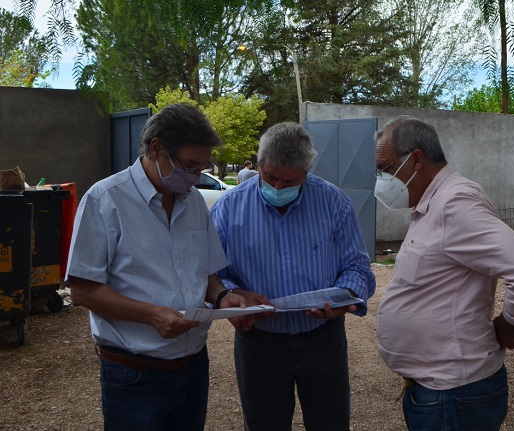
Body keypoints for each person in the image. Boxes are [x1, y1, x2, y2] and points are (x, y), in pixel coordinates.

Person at [66, 103, 248, 431]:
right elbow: (82, 290)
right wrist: (151, 315)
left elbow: (206, 270)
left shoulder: (193, 201)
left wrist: (222, 297)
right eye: (189, 165)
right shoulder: (105, 200)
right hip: (133, 374)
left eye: (202, 167)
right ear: (156, 149)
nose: (195, 177)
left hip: (193, 366)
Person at [373, 115, 514, 431]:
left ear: (416, 160)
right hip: (440, 393)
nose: (381, 180)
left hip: (454, 396)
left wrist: (511, 326)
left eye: (385, 168)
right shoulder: (431, 203)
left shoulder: (455, 203)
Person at [210, 122, 376, 431]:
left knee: (330, 423)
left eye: (290, 181)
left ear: (306, 173)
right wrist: (233, 296)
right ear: (258, 164)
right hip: (259, 342)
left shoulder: (334, 203)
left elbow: (357, 266)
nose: (278, 187)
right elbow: (212, 273)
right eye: (270, 177)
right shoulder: (229, 208)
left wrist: (344, 296)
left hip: (322, 338)